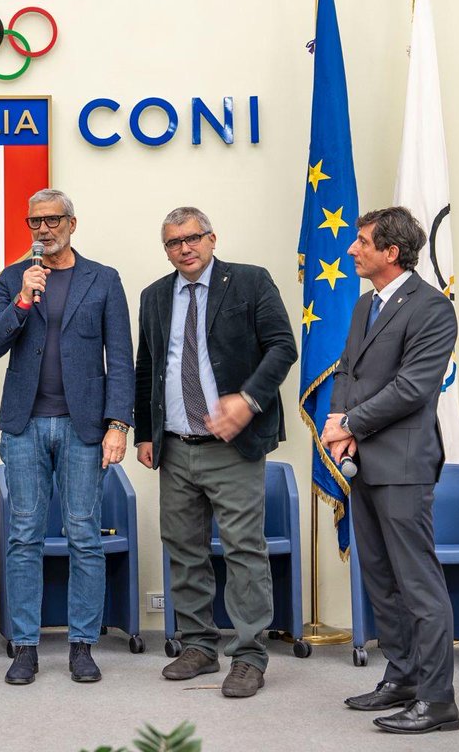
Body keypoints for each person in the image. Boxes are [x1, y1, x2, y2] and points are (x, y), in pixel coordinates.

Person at [134, 207, 297, 699]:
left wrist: (247, 401)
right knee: (184, 549)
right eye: (173, 242)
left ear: (211, 238)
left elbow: (283, 348)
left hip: (233, 445)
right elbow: (149, 366)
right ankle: (199, 645)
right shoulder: (155, 296)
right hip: (177, 446)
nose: (184, 248)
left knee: (244, 549)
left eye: (193, 238)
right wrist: (146, 431)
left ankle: (248, 655)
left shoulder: (248, 282)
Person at [0, 188, 134, 685]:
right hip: (24, 425)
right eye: (34, 222)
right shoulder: (13, 280)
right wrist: (24, 298)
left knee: (83, 535)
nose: (42, 230)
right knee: (23, 535)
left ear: (72, 222)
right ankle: (24, 647)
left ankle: (82, 645)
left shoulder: (104, 280)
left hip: (83, 425)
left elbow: (121, 359)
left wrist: (118, 424)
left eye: (51, 220)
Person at [320, 205, 459, 734]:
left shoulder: (431, 309)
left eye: (361, 242)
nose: (352, 249)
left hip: (403, 466)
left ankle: (438, 700)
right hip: (363, 464)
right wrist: (340, 426)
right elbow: (348, 372)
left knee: (418, 583)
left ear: (390, 252)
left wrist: (350, 421)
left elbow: (413, 388)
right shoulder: (364, 306)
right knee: (381, 580)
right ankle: (401, 677)